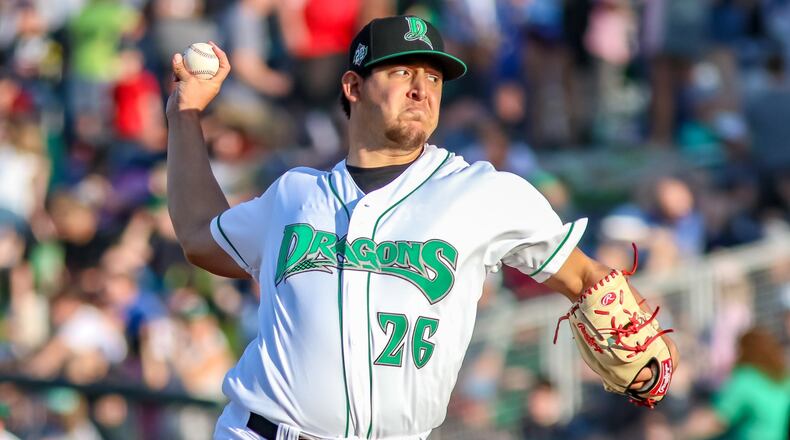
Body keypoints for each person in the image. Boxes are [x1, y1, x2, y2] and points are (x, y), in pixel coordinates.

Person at [165, 15, 678, 439]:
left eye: (433, 77)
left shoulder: (483, 192)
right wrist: (186, 113)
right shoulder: (295, 194)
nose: (421, 88)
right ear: (353, 86)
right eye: (401, 71)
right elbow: (199, 237)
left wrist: (638, 335)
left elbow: (586, 277)